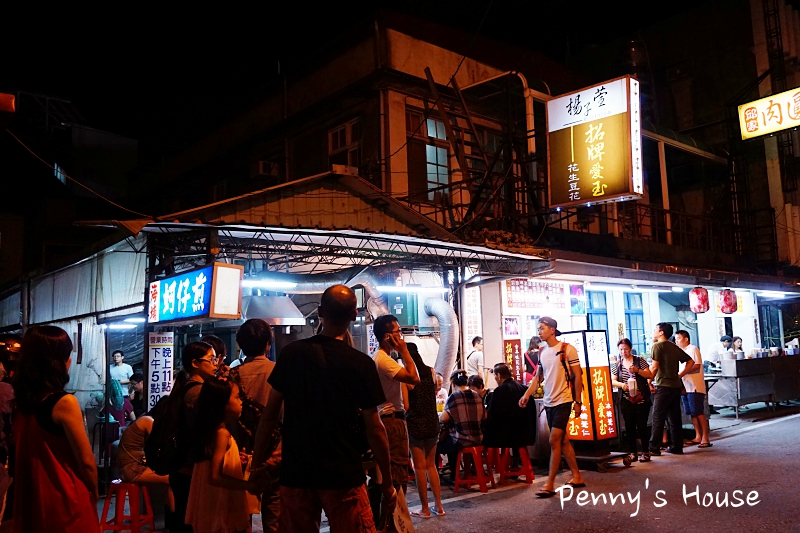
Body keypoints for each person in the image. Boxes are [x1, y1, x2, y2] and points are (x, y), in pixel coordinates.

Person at [250, 284, 396, 532]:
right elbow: (375, 428)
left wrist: (256, 465)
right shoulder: (360, 364)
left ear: (320, 312)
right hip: (343, 474)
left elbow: (269, 415)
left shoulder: (292, 354)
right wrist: (388, 482)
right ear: (355, 315)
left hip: (297, 473)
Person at [10, 326, 99, 533]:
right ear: (59, 362)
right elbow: (86, 463)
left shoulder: (22, 403)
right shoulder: (64, 403)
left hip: (32, 500)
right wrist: (94, 493)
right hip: (66, 501)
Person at [519, 317, 585, 498]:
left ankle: (549, 484)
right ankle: (577, 476)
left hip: (564, 400)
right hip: (549, 402)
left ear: (552, 330)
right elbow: (538, 377)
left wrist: (578, 402)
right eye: (538, 328)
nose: (539, 331)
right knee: (563, 440)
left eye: (542, 328)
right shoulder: (542, 352)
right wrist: (526, 395)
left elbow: (578, 376)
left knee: (554, 440)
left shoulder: (567, 349)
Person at [186, 377, 260, 533]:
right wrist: (249, 486)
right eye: (237, 397)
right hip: (219, 502)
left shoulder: (210, 430)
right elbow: (215, 476)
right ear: (222, 404)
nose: (241, 402)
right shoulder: (222, 434)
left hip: (209, 501)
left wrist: (234, 459)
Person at [229, 318, 281, 532]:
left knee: (241, 515)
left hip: (240, 453)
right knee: (275, 515)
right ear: (268, 344)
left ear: (241, 344)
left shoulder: (232, 376)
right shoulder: (280, 372)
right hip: (275, 453)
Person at [369, 314, 419, 525]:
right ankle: (391, 526)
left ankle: (378, 524)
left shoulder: (379, 359)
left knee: (382, 478)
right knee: (396, 479)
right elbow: (414, 378)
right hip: (392, 423)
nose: (401, 336)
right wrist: (405, 352)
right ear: (387, 336)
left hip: (386, 420)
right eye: (398, 332)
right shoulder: (384, 361)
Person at [170, 341, 219, 533]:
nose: (216, 363)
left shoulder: (187, 386)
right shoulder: (198, 392)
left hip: (184, 465)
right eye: (211, 359)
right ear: (195, 363)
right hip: (191, 468)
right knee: (193, 522)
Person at [404, 342, 444, 518]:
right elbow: (433, 392)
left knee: (419, 468)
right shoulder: (431, 371)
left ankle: (425, 509)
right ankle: (439, 507)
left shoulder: (406, 376)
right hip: (432, 422)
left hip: (416, 424)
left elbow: (406, 405)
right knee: (431, 465)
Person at [643, 323, 695, 456]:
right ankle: (677, 447)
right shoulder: (673, 346)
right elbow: (690, 362)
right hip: (675, 386)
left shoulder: (657, 346)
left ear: (661, 332)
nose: (654, 331)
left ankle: (654, 448)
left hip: (663, 386)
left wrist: (648, 381)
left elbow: (654, 368)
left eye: (655, 329)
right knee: (674, 418)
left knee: (657, 417)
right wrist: (679, 375)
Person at [117, 397, 174, 513]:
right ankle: (175, 515)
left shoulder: (145, 418)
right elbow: (162, 445)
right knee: (173, 479)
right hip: (133, 468)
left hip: (132, 466)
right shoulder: (148, 421)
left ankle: (172, 513)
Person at [610, 338, 654, 462]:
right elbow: (612, 380)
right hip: (626, 400)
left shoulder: (639, 361)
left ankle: (645, 451)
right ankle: (633, 452)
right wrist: (622, 385)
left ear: (630, 349)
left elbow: (650, 375)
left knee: (642, 426)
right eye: (621, 349)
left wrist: (637, 371)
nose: (623, 352)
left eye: (625, 349)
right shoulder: (617, 364)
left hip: (641, 399)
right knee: (629, 427)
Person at [437, 369, 485, 483]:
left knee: (437, 446)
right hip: (478, 439)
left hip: (461, 440)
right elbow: (485, 416)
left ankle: (442, 477)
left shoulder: (454, 396)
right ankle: (457, 474)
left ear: (453, 384)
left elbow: (443, 419)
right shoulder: (477, 396)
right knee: (452, 437)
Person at [483, 363, 534, 453]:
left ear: (499, 376)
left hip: (506, 435)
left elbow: (492, 415)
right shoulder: (524, 389)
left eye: (495, 375)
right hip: (525, 434)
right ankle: (515, 457)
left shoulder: (499, 390)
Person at [674, 330, 711, 448]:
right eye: (675, 339)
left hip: (695, 386)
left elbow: (696, 366)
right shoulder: (682, 352)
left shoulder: (693, 349)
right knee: (692, 413)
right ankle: (698, 435)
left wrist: (681, 374)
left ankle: (705, 437)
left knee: (698, 412)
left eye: (678, 339)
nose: (676, 341)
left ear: (686, 339)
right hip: (686, 386)